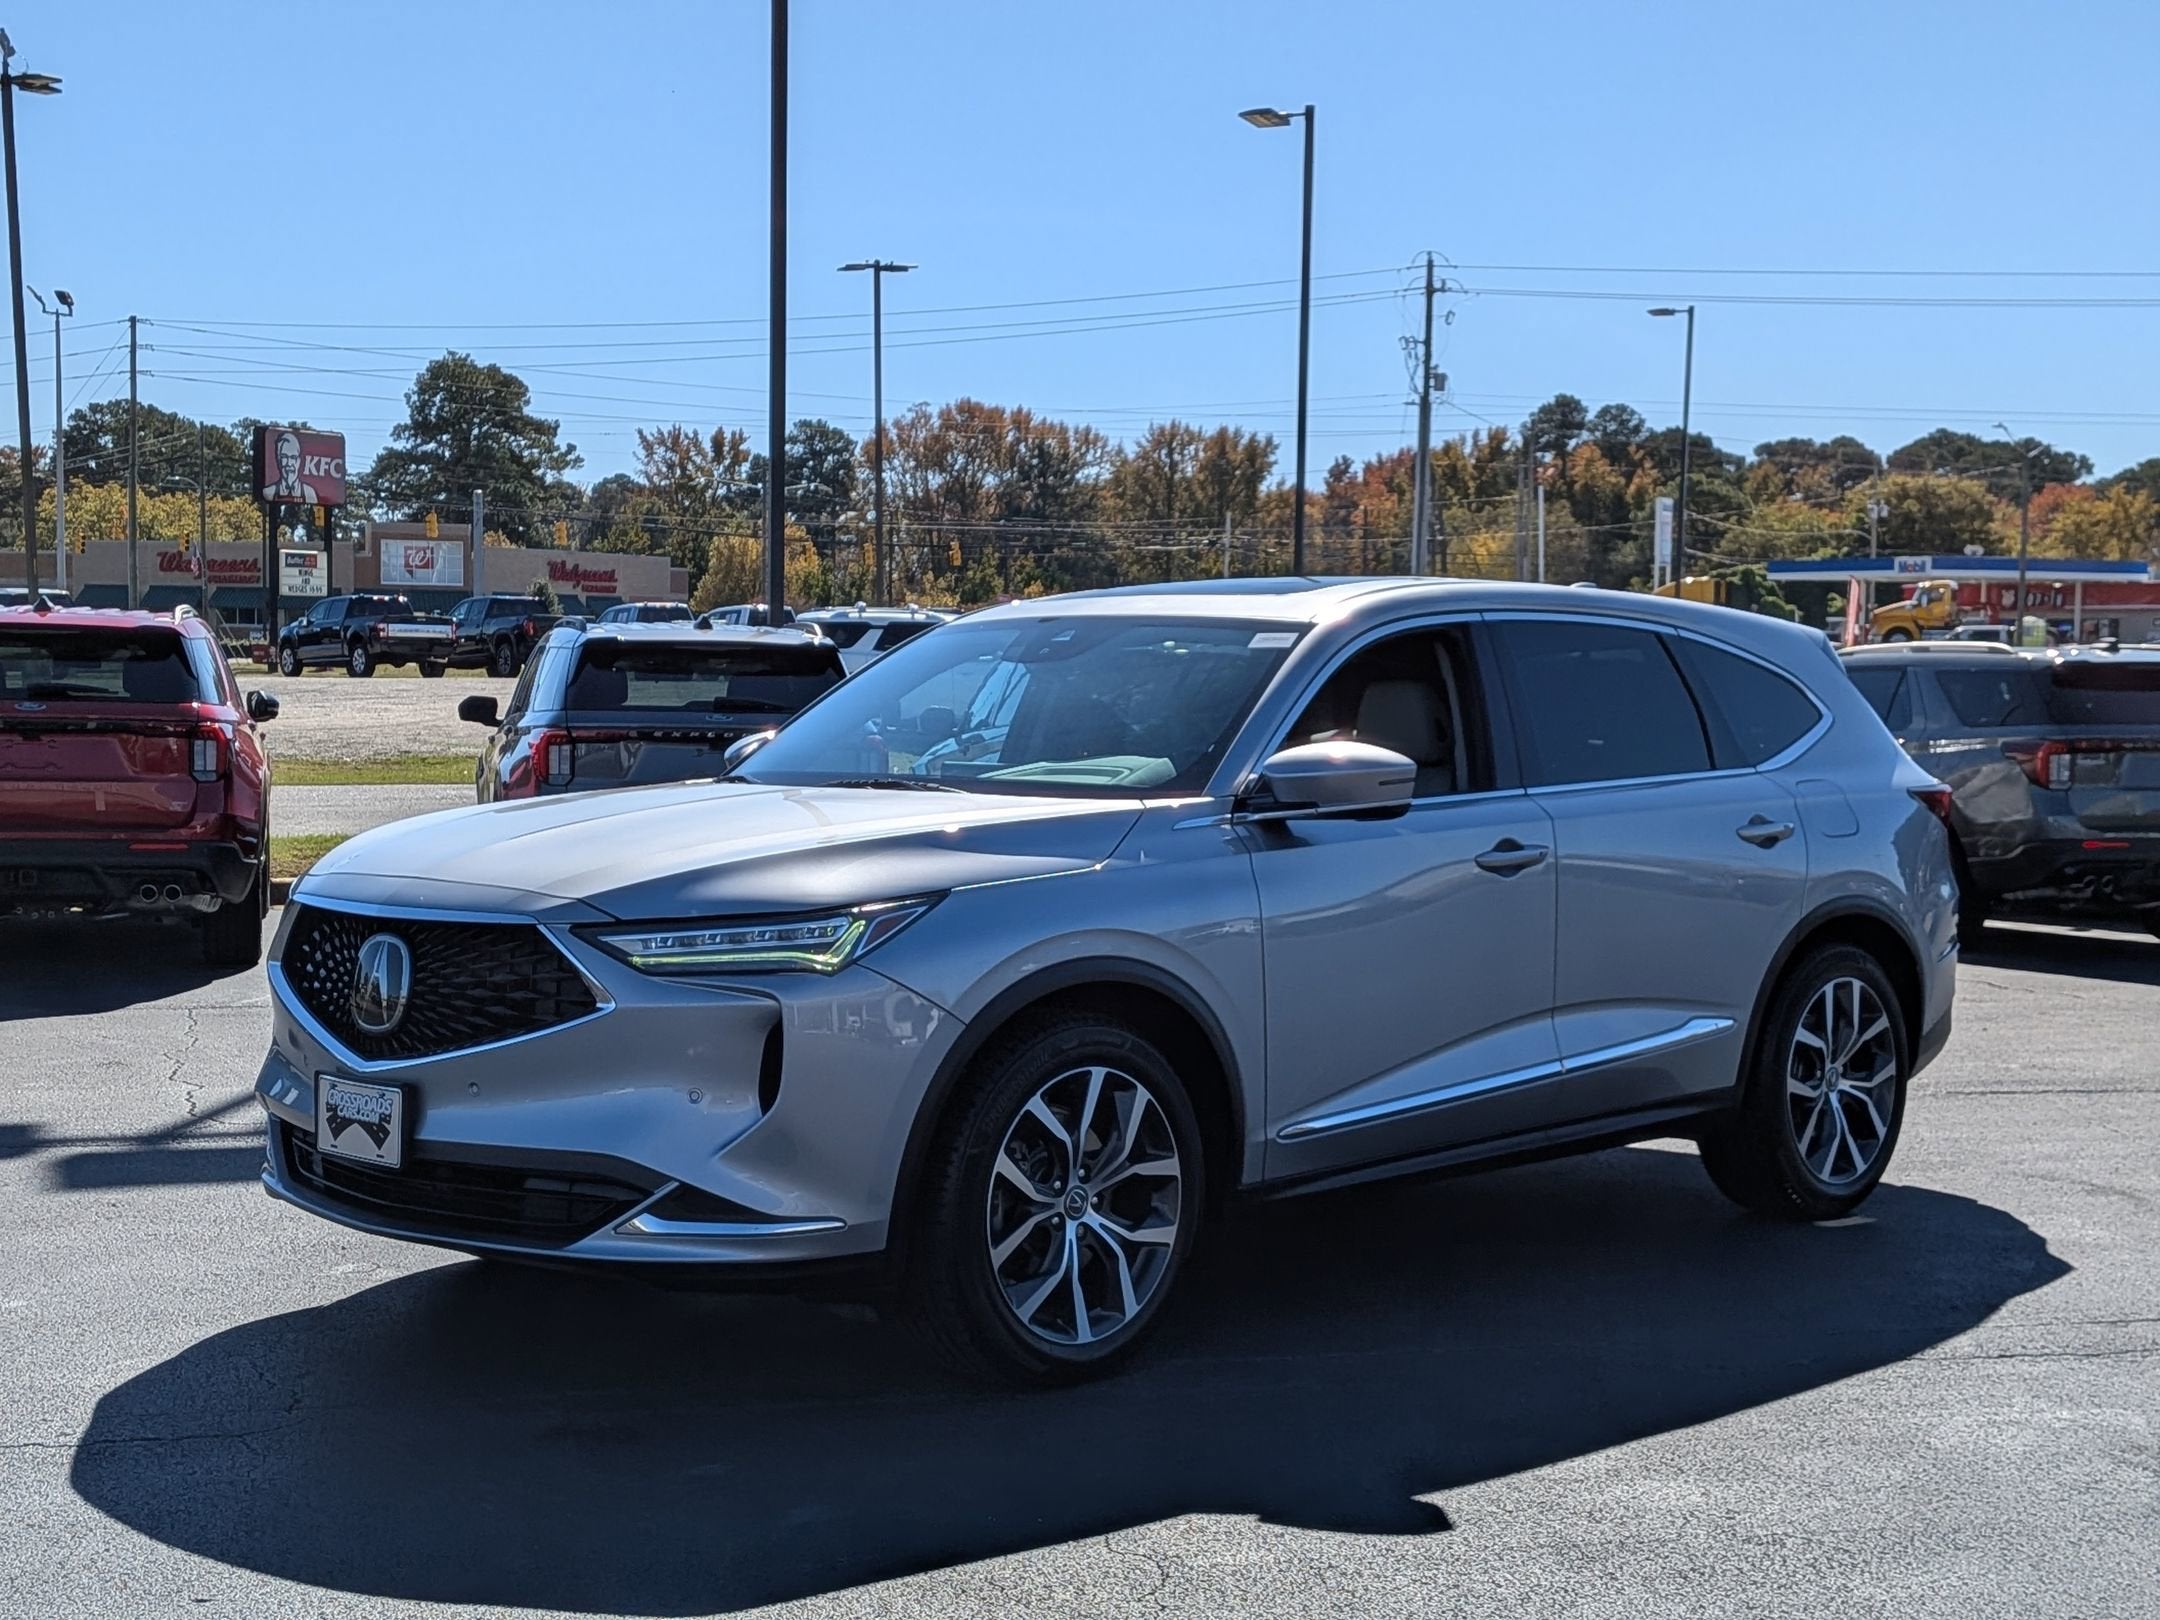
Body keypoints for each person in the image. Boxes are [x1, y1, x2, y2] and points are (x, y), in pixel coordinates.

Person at [261, 430, 319, 503]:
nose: (289, 463)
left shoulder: (310, 493)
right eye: (284, 457)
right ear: (278, 460)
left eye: (293, 457)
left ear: (298, 461)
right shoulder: (268, 492)